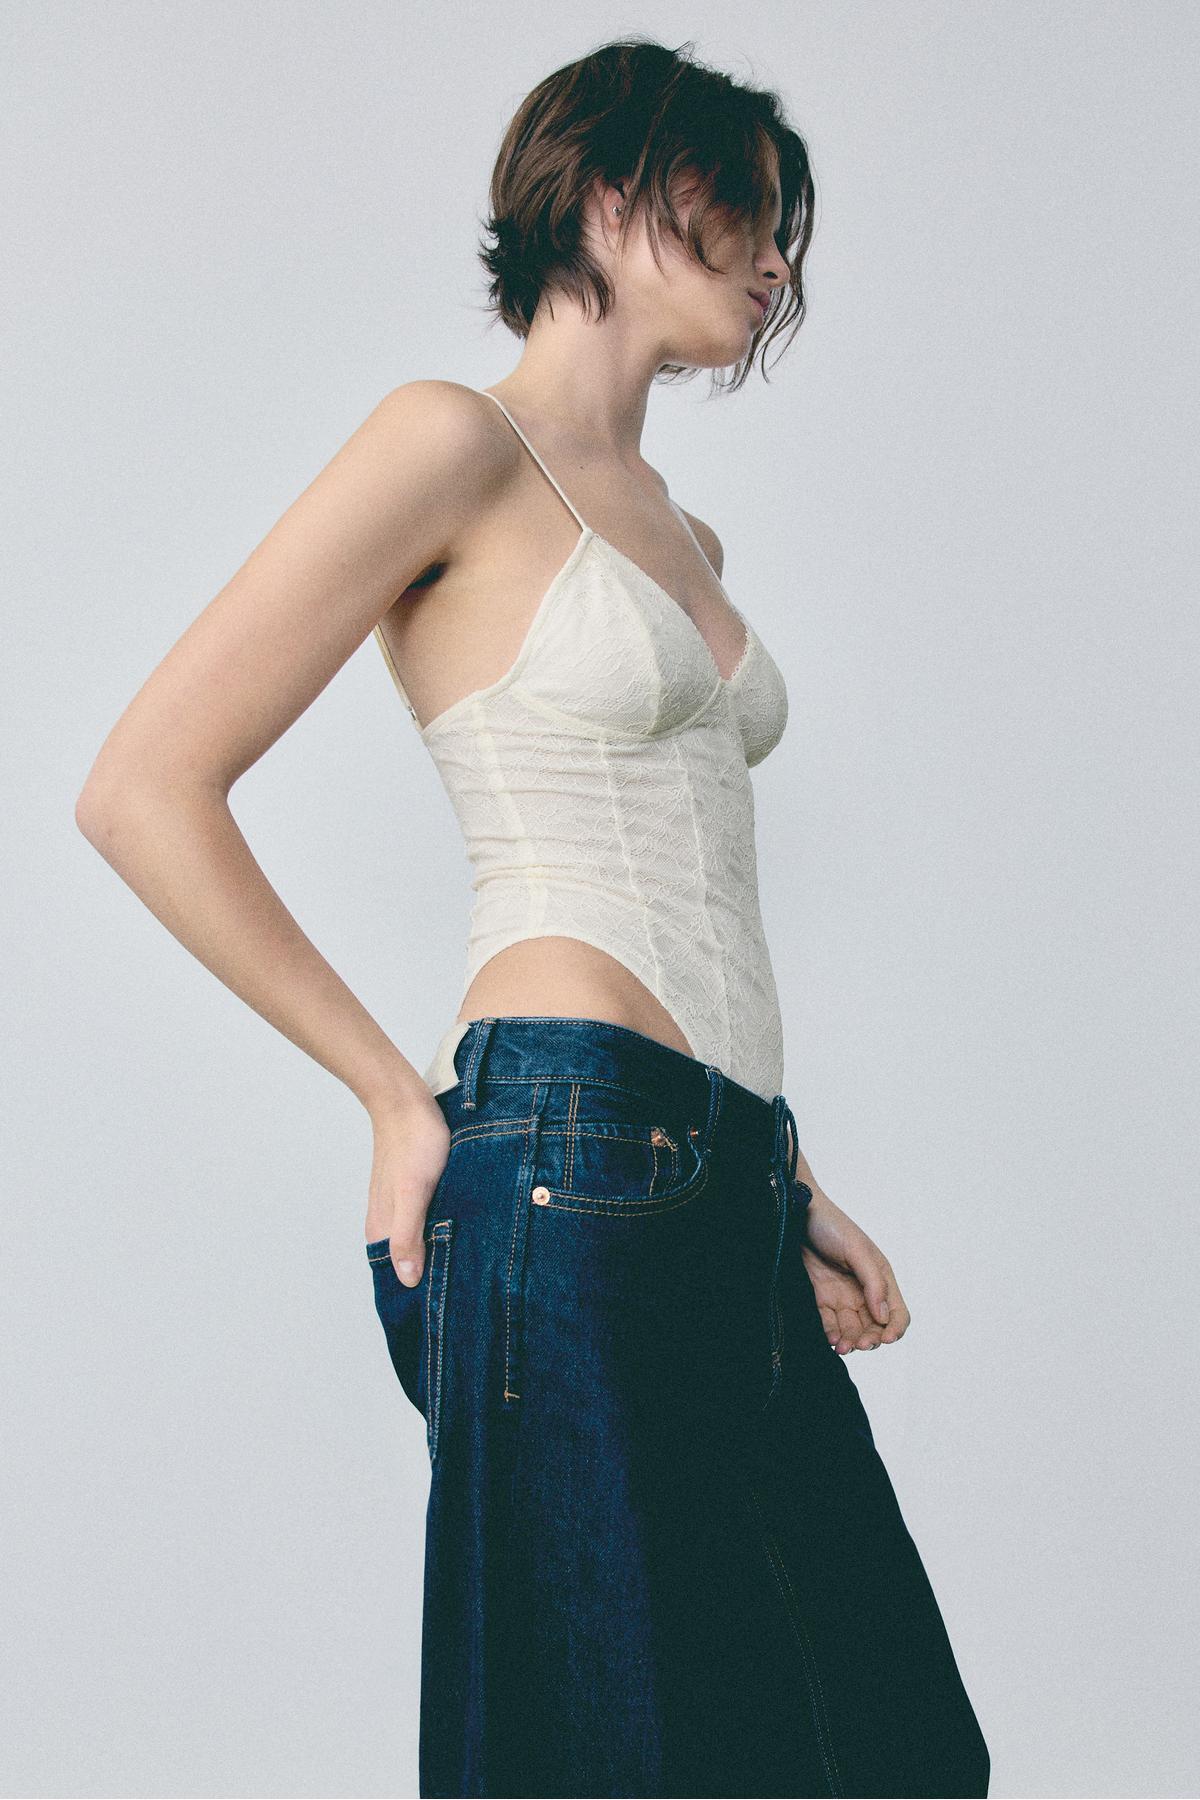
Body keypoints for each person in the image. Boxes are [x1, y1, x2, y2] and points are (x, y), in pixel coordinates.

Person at [76, 35, 991, 1800]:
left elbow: (697, 868)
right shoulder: (453, 443)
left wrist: (784, 1180)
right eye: (743, 209)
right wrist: (388, 1095)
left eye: (785, 228)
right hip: (562, 1153)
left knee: (878, 1745)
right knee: (606, 1752)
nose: (775, 261)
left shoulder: (688, 534)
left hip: (720, 1170)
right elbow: (143, 787)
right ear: (609, 194)